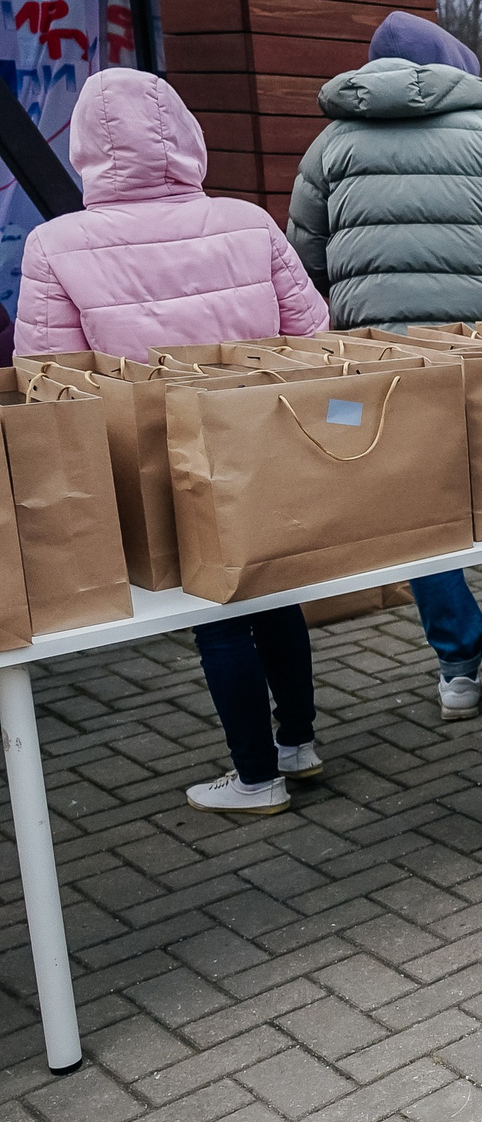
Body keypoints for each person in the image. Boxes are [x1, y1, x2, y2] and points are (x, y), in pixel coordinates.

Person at [16, 69, 333, 814]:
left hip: (149, 458)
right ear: (187, 136)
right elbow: (314, 336)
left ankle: (256, 778)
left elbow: (50, 381)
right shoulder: (247, 222)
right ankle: (299, 742)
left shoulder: (56, 243)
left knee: (215, 609)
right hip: (260, 438)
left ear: (87, 147)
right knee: (272, 585)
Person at [289, 11, 482, 724]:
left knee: (416, 511)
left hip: (385, 359)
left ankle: (457, 665)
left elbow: (306, 263)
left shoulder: (329, 148)